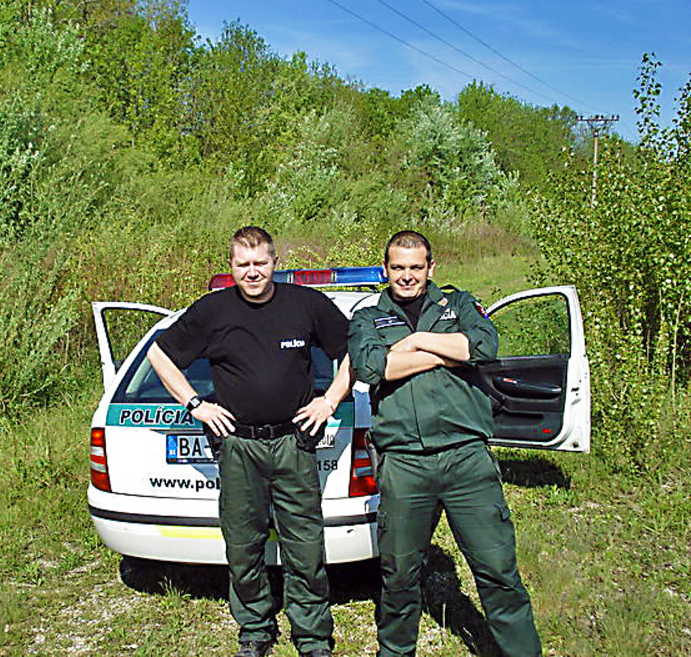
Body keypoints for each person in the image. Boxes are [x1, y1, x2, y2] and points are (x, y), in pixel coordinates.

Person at [147, 226, 352, 657]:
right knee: (243, 547)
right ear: (232, 266)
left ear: (275, 262)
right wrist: (194, 403)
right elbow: (159, 355)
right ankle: (255, 630)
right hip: (237, 446)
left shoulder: (306, 304)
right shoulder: (212, 311)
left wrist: (329, 400)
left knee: (305, 546)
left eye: (261, 263)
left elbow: (355, 347)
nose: (253, 272)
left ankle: (313, 638)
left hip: (294, 442)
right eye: (244, 264)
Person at [347, 230, 542, 657]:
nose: (407, 276)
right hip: (405, 464)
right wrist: (450, 351)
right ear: (385, 269)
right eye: (398, 267)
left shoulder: (458, 304)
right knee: (398, 575)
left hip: (466, 460)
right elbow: (370, 364)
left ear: (431, 268)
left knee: (497, 571)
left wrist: (415, 342)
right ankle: (396, 652)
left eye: (416, 267)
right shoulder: (368, 317)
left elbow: (484, 345)